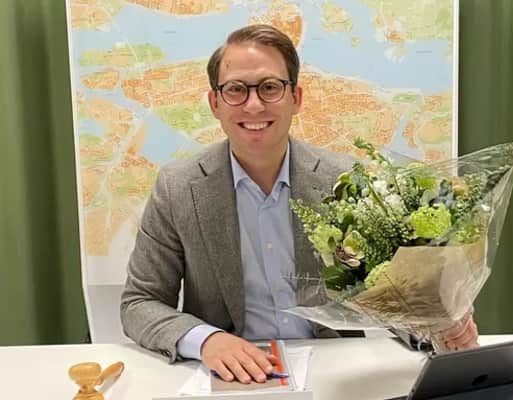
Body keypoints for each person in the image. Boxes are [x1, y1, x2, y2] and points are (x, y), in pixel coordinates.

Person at [121, 24, 478, 384]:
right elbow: (139, 302)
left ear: (296, 97)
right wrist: (206, 341)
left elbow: (386, 290)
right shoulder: (179, 188)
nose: (254, 104)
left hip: (335, 373)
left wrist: (433, 325)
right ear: (215, 103)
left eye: (270, 87)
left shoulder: (344, 180)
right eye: (236, 90)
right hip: (231, 378)